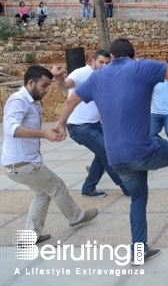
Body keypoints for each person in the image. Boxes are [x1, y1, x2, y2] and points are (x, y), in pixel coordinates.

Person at [53, 38, 168, 263]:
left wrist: (60, 124)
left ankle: (138, 251)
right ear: (133, 56)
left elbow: (69, 101)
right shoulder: (141, 67)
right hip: (142, 150)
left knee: (138, 198)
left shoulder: (97, 76)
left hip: (115, 158)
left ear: (112, 57)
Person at [3, 65, 98, 244]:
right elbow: (11, 129)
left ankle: (30, 236)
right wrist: (44, 133)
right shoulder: (18, 101)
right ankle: (76, 217)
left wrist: (49, 131)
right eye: (44, 86)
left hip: (19, 165)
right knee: (57, 186)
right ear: (31, 82)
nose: (47, 90)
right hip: (24, 164)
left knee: (43, 193)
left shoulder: (28, 100)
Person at [51, 50, 129, 197]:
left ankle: (88, 187)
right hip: (79, 126)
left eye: (107, 63)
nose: (104, 65)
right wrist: (58, 78)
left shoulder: (106, 76)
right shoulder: (81, 73)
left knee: (101, 154)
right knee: (107, 153)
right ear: (93, 61)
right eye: (101, 62)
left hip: (94, 124)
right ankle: (127, 187)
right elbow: (63, 87)